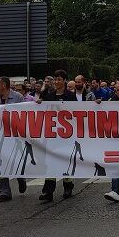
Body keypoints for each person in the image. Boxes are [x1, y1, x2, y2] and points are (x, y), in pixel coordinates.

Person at [38, 69, 77, 202]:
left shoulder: (71, 96)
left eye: (59, 79)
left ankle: (68, 186)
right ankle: (48, 191)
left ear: (64, 80)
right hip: (53, 134)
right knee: (51, 162)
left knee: (66, 160)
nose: (56, 82)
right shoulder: (49, 95)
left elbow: (78, 112)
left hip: (66, 135)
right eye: (55, 79)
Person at [0, 76, 28, 202]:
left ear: (3, 85)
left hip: (15, 135)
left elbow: (24, 113)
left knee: (16, 159)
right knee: (0, 161)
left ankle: (21, 177)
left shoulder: (18, 97)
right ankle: (4, 191)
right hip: (1, 134)